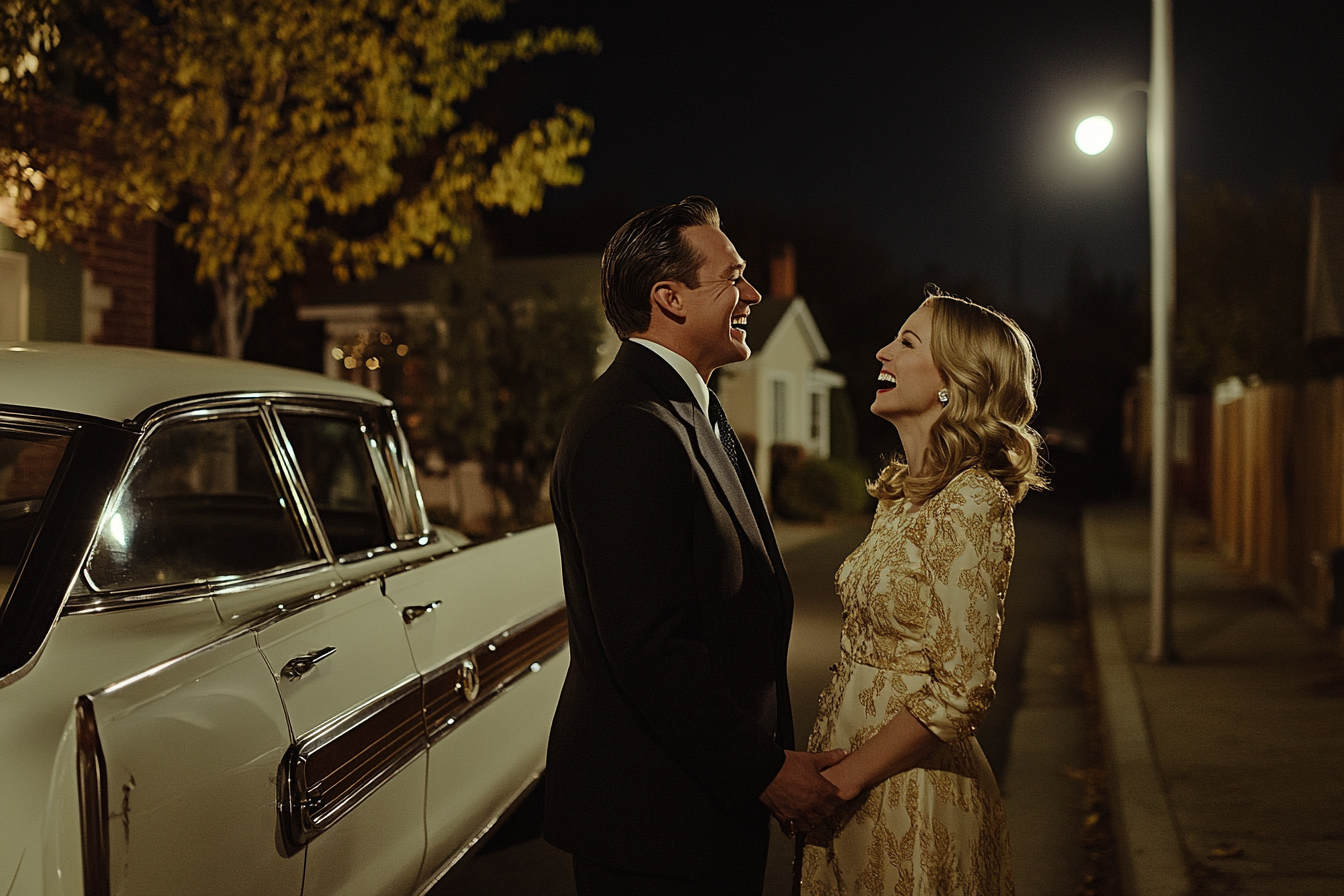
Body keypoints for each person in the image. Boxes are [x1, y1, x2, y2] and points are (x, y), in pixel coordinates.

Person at [545, 196, 847, 895]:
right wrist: (767, 773)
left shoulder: (689, 407)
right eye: (733, 277)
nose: (753, 294)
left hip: (697, 803)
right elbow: (651, 649)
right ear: (669, 298)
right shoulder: (631, 424)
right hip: (653, 822)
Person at [800, 288, 1046, 895]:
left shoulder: (973, 501)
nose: (883, 352)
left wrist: (844, 781)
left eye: (907, 343)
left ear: (956, 381)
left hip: (911, 792)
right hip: (851, 787)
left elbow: (962, 689)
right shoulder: (902, 494)